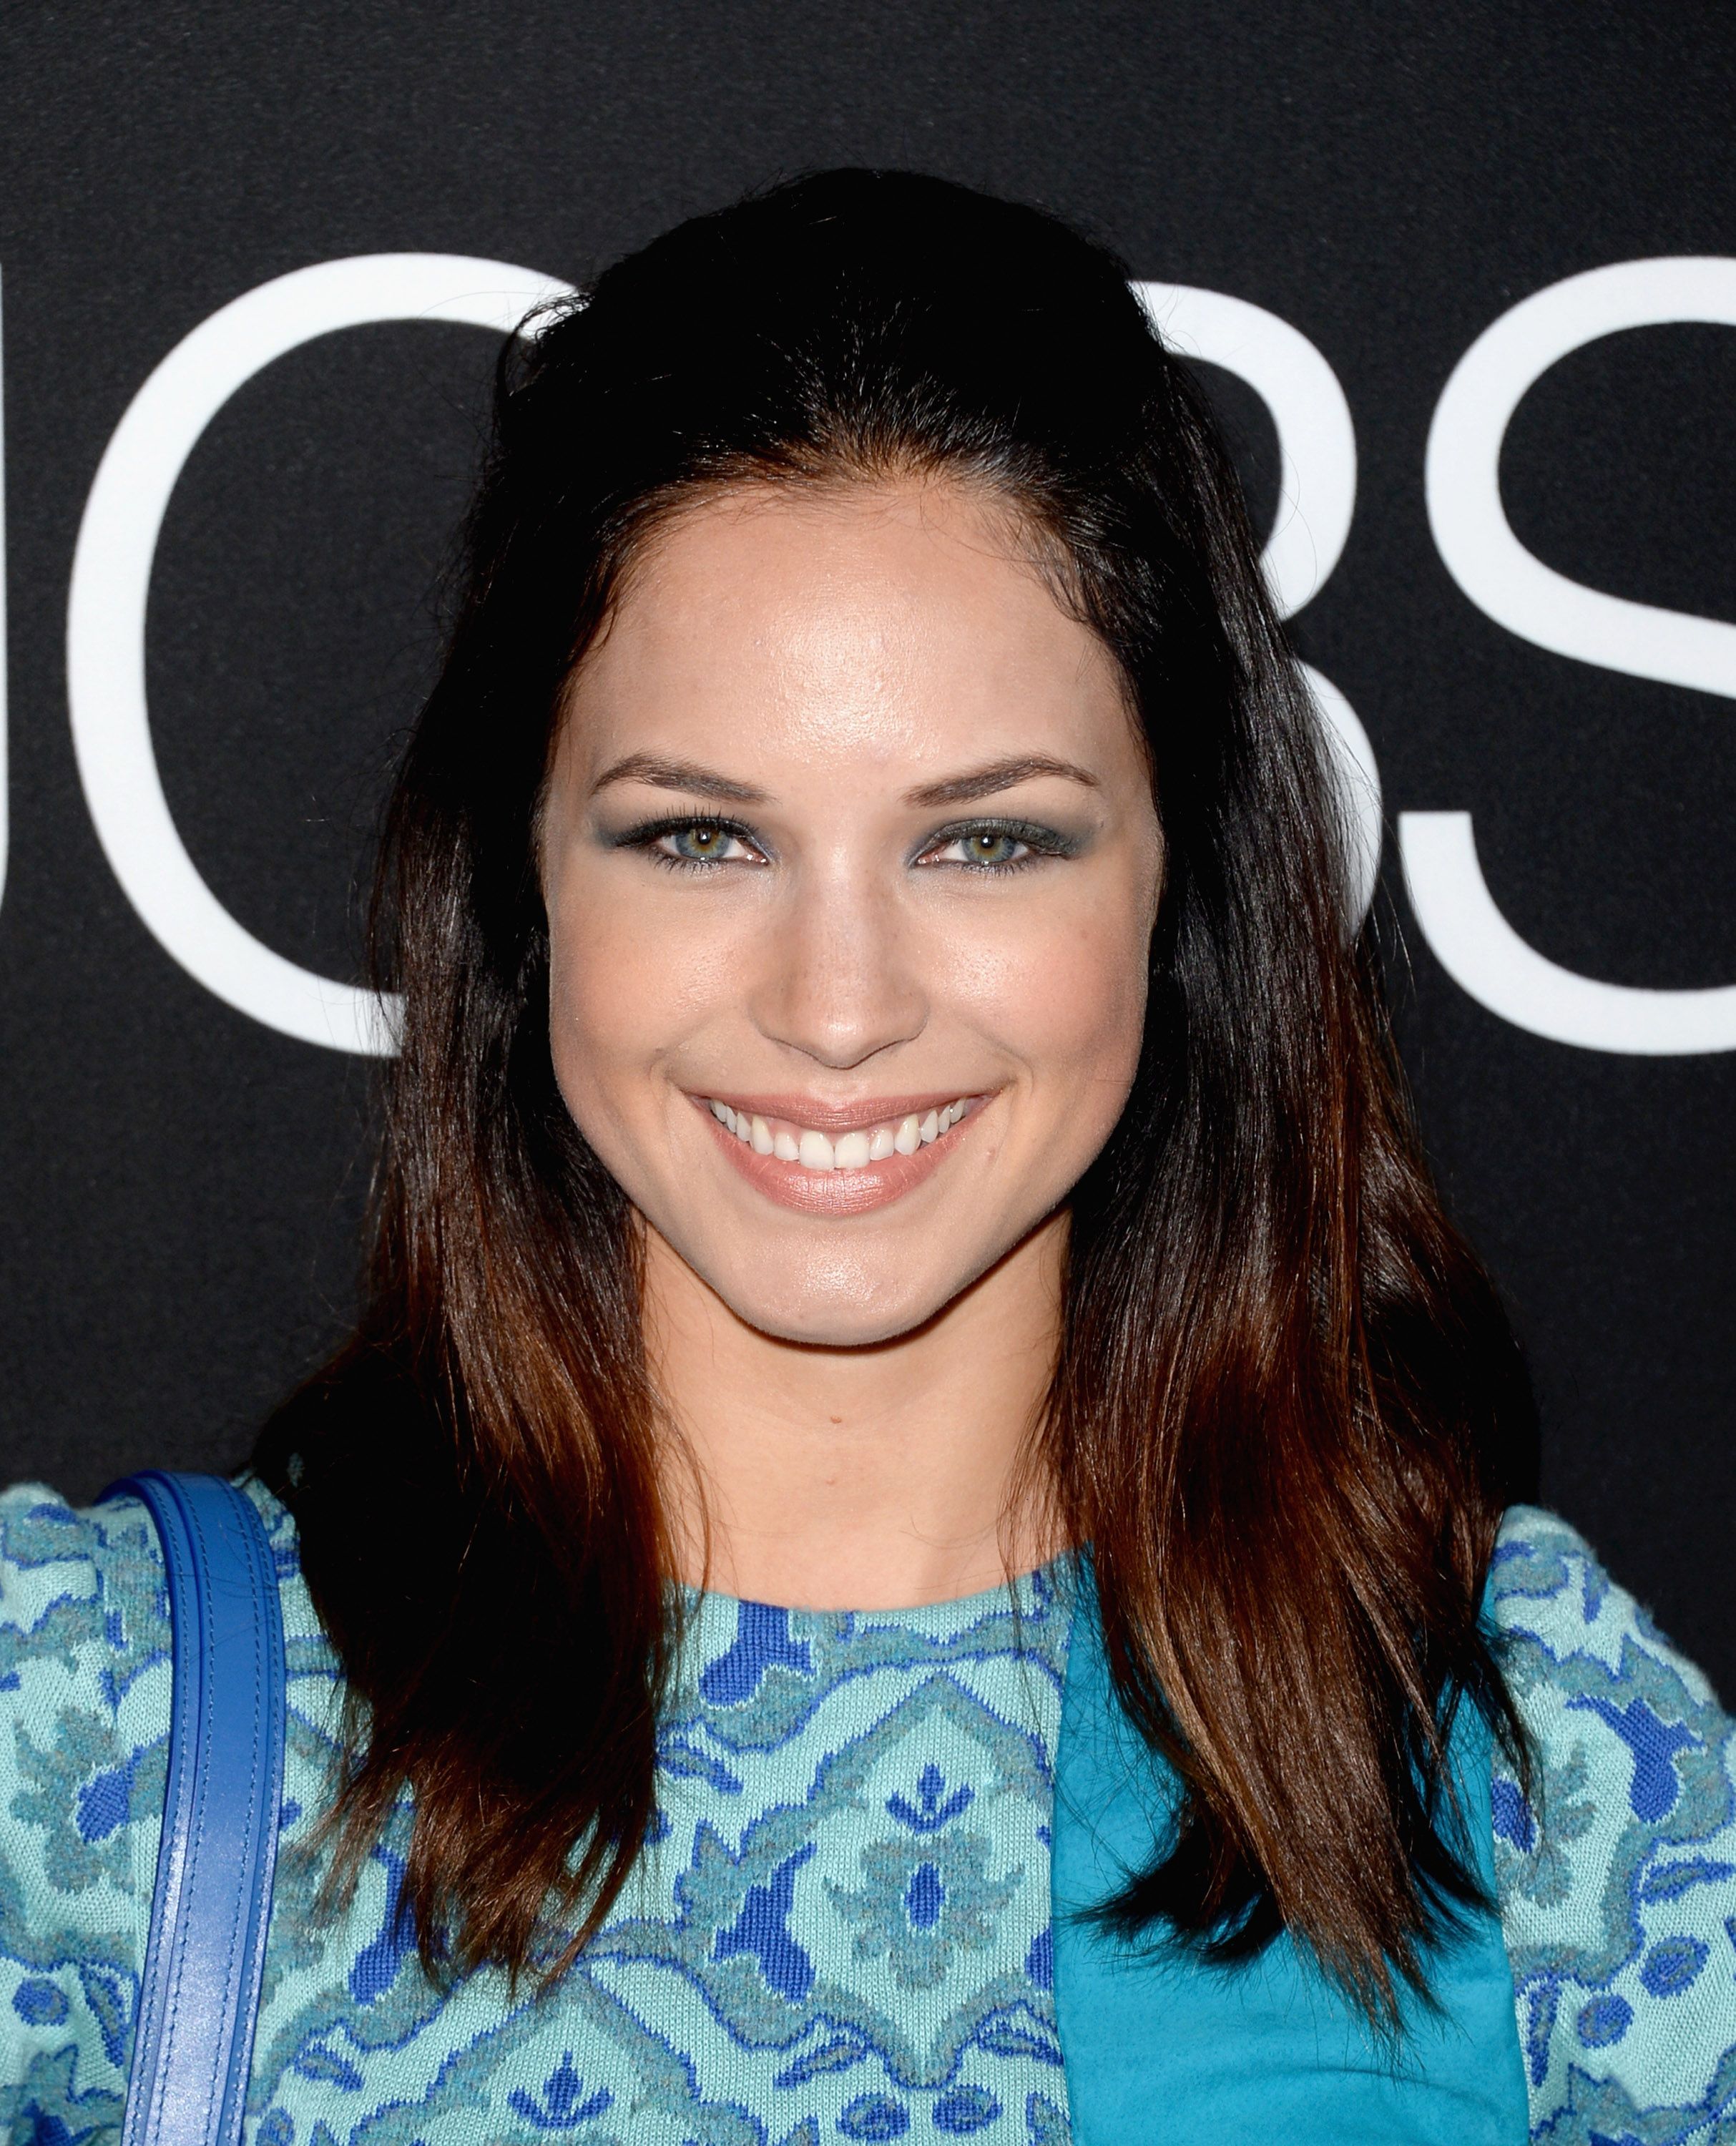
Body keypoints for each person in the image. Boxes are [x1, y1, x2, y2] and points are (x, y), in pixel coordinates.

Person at [1, 170, 1731, 2146]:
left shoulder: (1509, 1754)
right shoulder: (94, 1732)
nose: (838, 1007)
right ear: (519, 880)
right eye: (699, 837)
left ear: (1185, 887)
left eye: (987, 841)